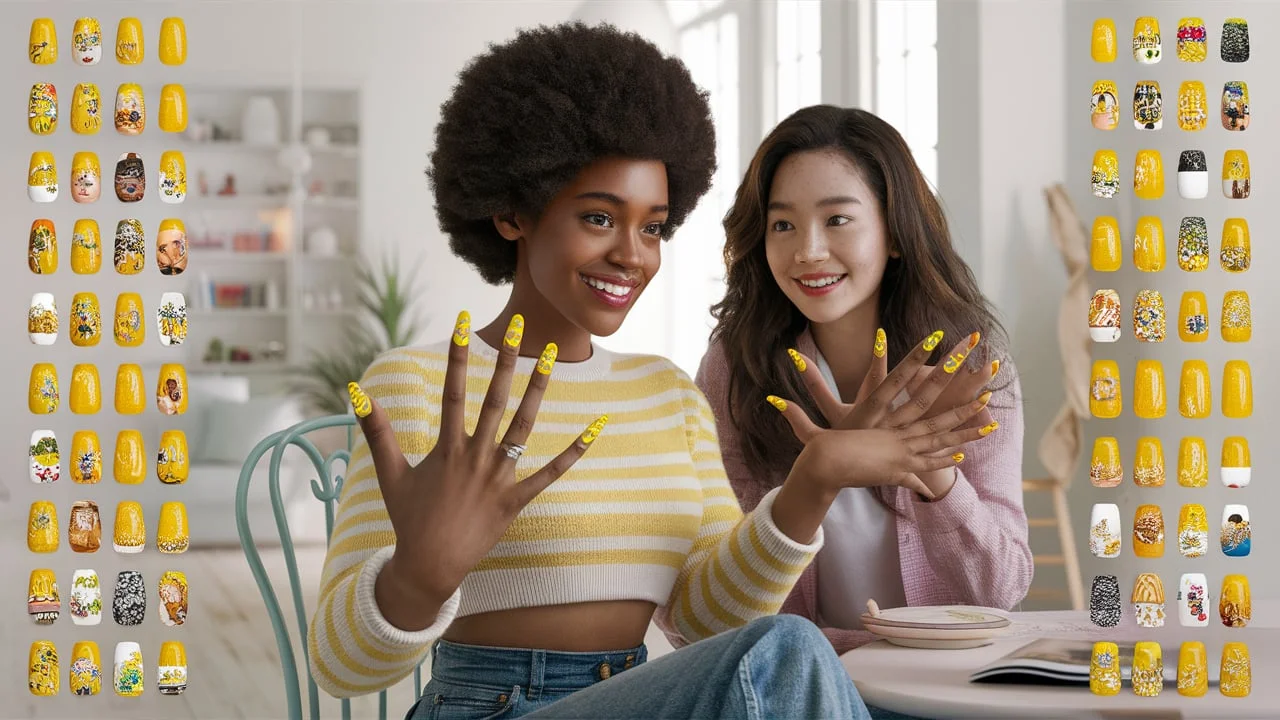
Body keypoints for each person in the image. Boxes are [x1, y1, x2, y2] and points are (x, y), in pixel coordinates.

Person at [308, 25, 992, 720]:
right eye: (600, 217)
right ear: (513, 211)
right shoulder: (419, 387)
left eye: (654, 227)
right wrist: (417, 579)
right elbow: (340, 666)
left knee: (787, 653)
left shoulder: (667, 395)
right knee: (790, 648)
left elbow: (708, 618)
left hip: (635, 695)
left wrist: (814, 481)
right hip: (489, 705)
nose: (632, 256)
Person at [696, 105, 1033, 659]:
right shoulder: (735, 369)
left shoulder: (969, 362)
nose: (807, 251)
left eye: (837, 219)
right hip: (806, 685)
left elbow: (1000, 590)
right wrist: (818, 478)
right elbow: (714, 614)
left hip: (942, 683)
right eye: (783, 224)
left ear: (894, 233)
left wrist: (928, 469)